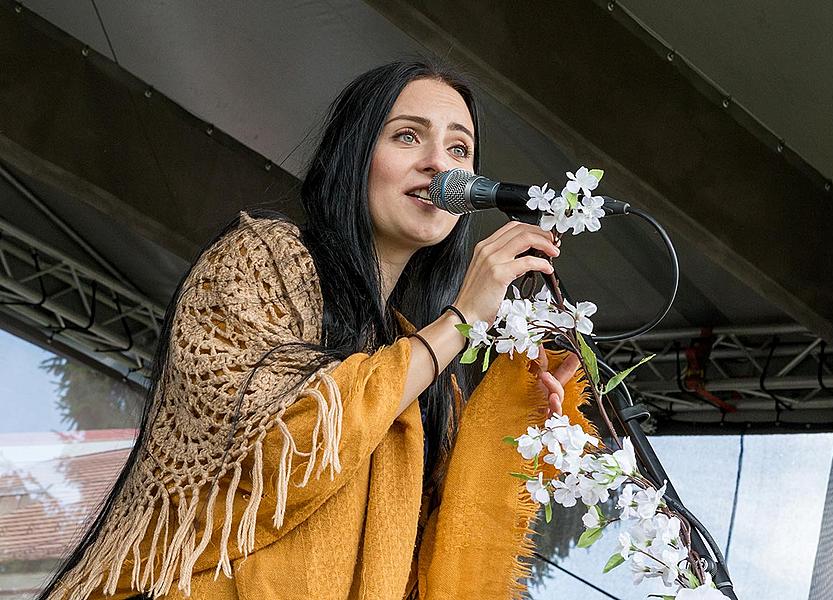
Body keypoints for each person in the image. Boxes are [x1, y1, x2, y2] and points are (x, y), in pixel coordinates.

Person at [40, 60, 594, 600]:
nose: (438, 166)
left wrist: (516, 418)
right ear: (353, 157)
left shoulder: (419, 357)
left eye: (458, 149)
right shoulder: (260, 261)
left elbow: (437, 565)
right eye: (407, 137)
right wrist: (461, 320)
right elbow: (284, 448)